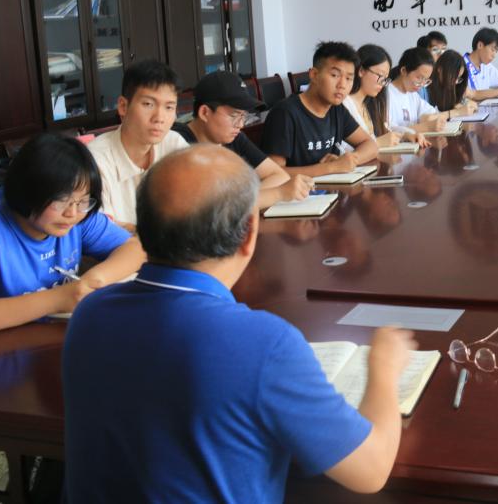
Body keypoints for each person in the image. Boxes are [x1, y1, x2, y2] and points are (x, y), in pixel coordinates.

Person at [63, 145, 416, 501]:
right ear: (249, 234)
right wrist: (384, 369)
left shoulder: (90, 314)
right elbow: (371, 471)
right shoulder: (263, 343)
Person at [0, 133, 144, 333]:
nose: (72, 213)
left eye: (83, 201)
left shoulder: (80, 219)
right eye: (60, 201)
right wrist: (58, 299)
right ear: (27, 190)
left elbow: (136, 249)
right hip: (5, 346)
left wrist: (92, 281)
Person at [173, 71, 311, 209]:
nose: (241, 124)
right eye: (234, 115)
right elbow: (210, 209)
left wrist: (243, 201)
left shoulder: (233, 137)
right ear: (205, 112)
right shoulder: (177, 143)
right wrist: (277, 194)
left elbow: (279, 175)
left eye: (243, 116)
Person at [87, 60, 188, 230]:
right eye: (148, 104)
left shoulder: (174, 144)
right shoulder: (95, 160)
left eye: (169, 107)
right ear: (123, 106)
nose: (159, 118)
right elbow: (101, 231)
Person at [262, 42, 379, 177]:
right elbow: (272, 173)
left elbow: (370, 145)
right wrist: (330, 168)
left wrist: (350, 160)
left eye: (348, 78)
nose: (342, 85)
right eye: (334, 75)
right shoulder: (284, 113)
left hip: (332, 188)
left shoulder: (337, 109)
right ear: (314, 74)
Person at [343, 44, 428, 149]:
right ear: (361, 71)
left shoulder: (369, 103)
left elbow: (387, 126)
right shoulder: (345, 104)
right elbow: (342, 149)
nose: (383, 83)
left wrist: (407, 134)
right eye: (380, 76)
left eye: (385, 78)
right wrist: (378, 142)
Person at [385, 47, 449, 133]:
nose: (422, 84)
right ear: (404, 71)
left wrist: (428, 118)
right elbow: (388, 130)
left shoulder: (412, 95)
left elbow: (433, 113)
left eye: (426, 80)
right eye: (419, 78)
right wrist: (426, 127)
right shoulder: (386, 94)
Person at [428, 49, 478, 118]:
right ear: (440, 69)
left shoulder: (454, 87)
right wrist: (457, 112)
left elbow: (462, 103)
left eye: (459, 78)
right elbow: (427, 118)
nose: (456, 82)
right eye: (454, 77)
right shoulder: (425, 90)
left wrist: (468, 105)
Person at [416, 32, 448, 102]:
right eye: (435, 50)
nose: (440, 54)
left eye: (443, 49)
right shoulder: (416, 75)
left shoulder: (442, 73)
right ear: (424, 52)